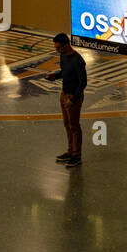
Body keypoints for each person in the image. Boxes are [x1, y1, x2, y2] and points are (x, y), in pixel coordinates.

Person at [46, 33, 87, 167]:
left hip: (73, 97)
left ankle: (77, 155)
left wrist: (73, 99)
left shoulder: (78, 60)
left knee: (74, 126)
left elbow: (83, 83)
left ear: (66, 45)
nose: (57, 50)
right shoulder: (63, 56)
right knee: (67, 124)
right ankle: (70, 151)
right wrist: (55, 76)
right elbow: (64, 72)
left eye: (58, 48)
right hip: (64, 94)